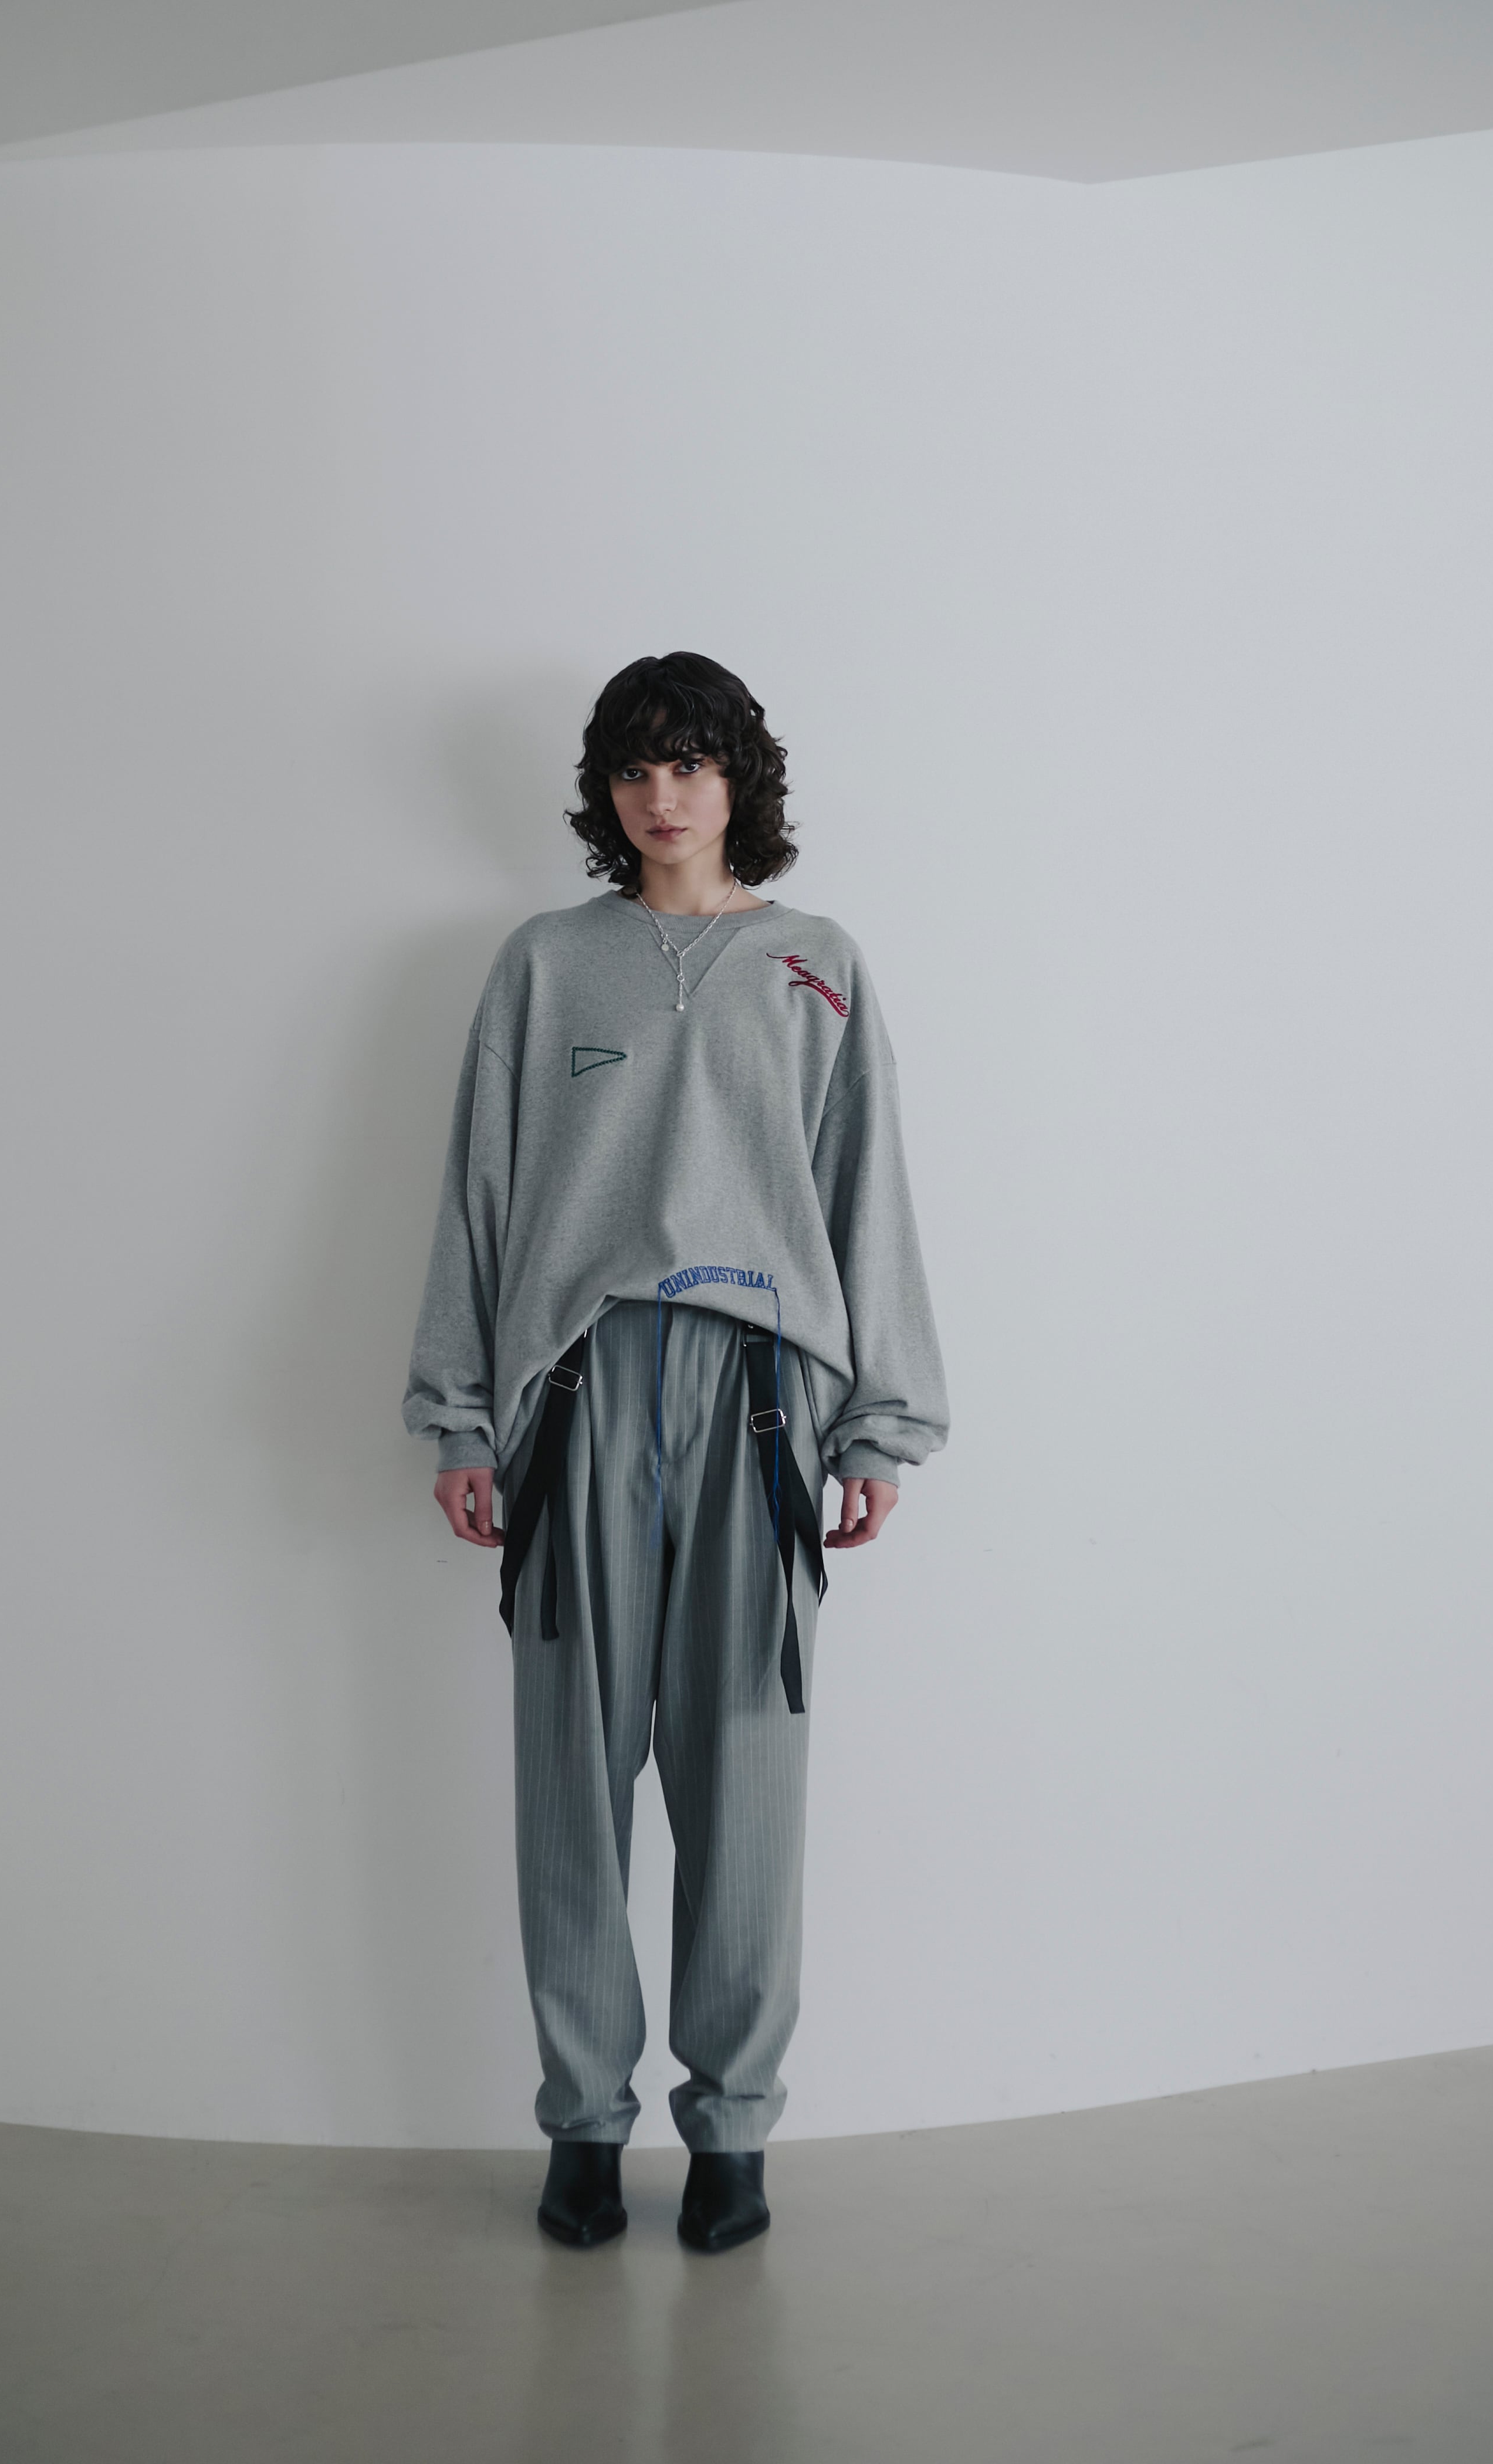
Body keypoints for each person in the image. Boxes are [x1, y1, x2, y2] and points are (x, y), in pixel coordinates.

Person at [402, 651, 949, 2253]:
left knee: (745, 1782)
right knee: (571, 1783)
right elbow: (481, 1192)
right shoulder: (546, 964)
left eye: (691, 764)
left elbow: (866, 1191)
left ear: (737, 781)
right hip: (577, 1397)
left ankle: (734, 2133)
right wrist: (459, 1410)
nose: (662, 796)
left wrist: (882, 1421)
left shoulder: (816, 965)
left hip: (760, 1401)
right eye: (636, 768)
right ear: (607, 790)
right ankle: (584, 2123)